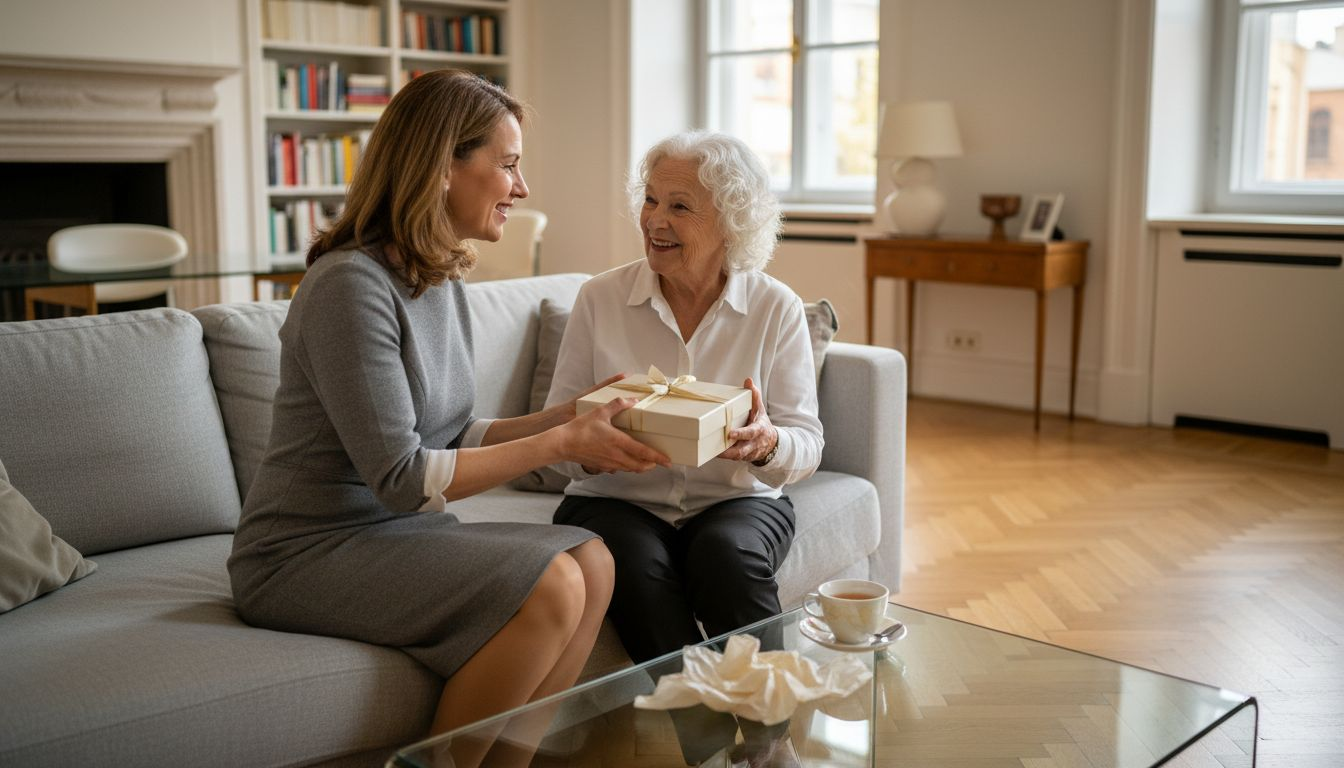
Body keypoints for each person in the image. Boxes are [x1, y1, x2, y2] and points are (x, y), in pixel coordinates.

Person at [227, 69, 668, 767]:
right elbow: (405, 478)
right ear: (441, 167)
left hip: (392, 532)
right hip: (304, 551)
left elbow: (451, 435)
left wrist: (567, 416)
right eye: (508, 165)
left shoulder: (436, 276)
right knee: (553, 582)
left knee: (594, 558)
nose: (522, 189)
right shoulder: (348, 287)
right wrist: (560, 441)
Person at [544, 130, 824, 766]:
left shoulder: (775, 308)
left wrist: (766, 443)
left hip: (738, 499)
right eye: (650, 200)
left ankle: (770, 745)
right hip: (615, 498)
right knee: (633, 565)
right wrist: (592, 446)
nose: (655, 220)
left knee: (727, 556)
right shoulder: (600, 298)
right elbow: (557, 435)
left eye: (679, 206)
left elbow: (806, 442)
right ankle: (708, 749)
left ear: (731, 222)